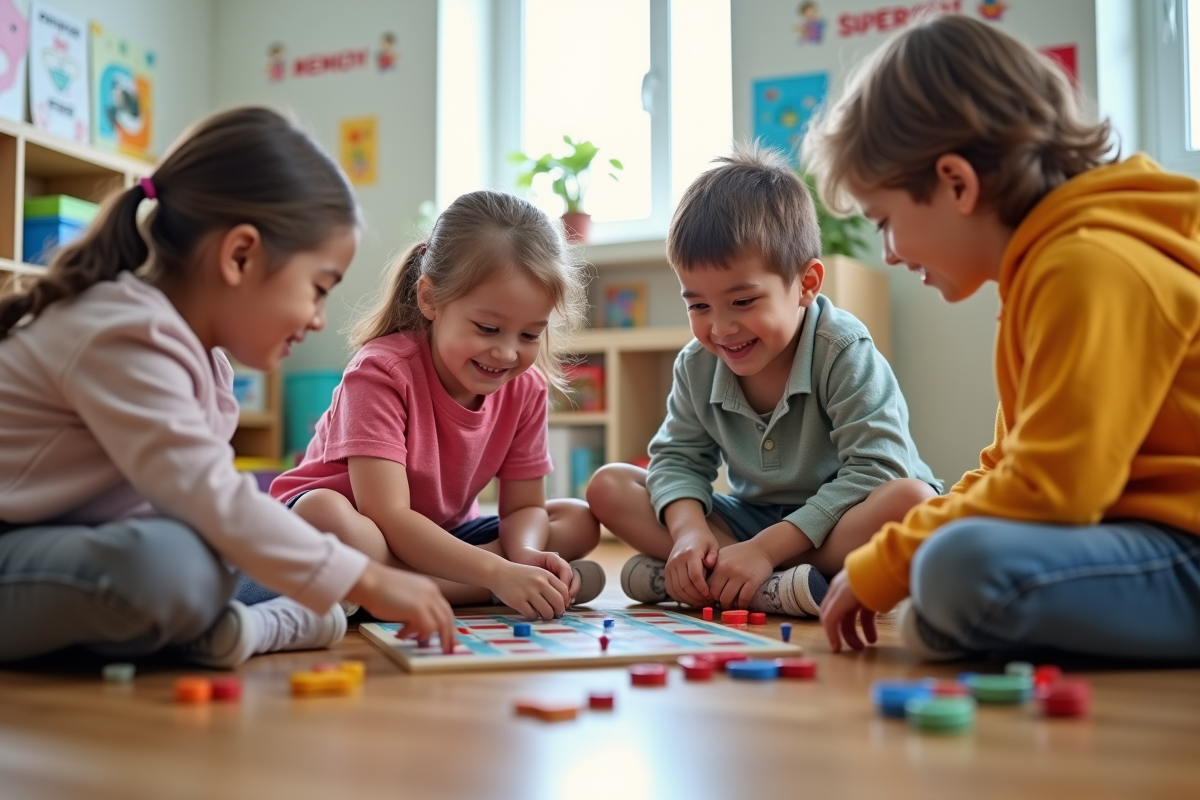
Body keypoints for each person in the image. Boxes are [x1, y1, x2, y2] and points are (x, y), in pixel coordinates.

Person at [0, 107, 458, 667]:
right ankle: (234, 629)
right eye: (317, 289)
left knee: (253, 550)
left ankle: (203, 626)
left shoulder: (203, 359)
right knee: (173, 567)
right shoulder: (122, 330)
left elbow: (207, 512)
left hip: (74, 550)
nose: (318, 319)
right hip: (27, 552)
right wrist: (373, 581)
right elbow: (205, 494)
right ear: (240, 255)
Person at [806, 14, 1200, 661]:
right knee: (943, 568)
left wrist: (889, 566)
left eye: (886, 221)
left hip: (1184, 547)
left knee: (954, 570)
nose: (892, 253)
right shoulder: (1048, 270)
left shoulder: (1086, 266)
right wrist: (895, 558)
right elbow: (1009, 464)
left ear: (956, 183)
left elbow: (1051, 489)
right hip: (1148, 535)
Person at [587, 144, 940, 618]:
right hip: (749, 522)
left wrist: (767, 549)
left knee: (912, 501)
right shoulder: (697, 363)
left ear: (807, 285)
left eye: (743, 302)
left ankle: (739, 575)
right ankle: (768, 580)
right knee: (609, 486)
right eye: (699, 306)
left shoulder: (842, 349)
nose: (721, 328)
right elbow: (676, 460)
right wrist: (689, 532)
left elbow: (879, 468)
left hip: (840, 520)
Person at [270, 190, 604, 621]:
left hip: (442, 535)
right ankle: (463, 591)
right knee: (326, 515)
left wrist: (524, 556)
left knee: (577, 521)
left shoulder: (526, 388)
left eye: (528, 335)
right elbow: (389, 516)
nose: (506, 353)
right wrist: (496, 572)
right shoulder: (381, 373)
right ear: (429, 299)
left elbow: (523, 507)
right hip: (363, 527)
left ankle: (401, 589)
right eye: (488, 328)